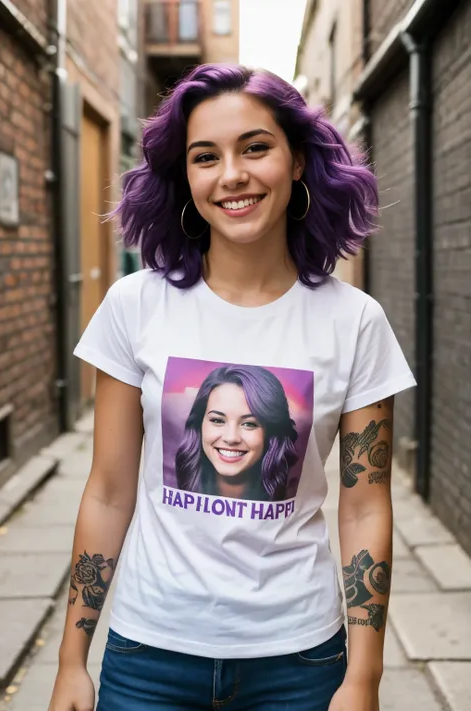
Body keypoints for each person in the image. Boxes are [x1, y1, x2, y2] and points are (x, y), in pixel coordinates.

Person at [48, 63, 416, 711]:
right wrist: (71, 660)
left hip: (300, 659)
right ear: (185, 178)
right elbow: (108, 491)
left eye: (255, 147)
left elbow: (365, 507)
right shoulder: (135, 306)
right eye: (205, 156)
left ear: (297, 161)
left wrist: (364, 676)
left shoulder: (355, 321)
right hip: (148, 656)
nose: (232, 175)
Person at [175, 364, 299, 501]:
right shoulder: (179, 484)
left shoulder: (293, 491)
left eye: (249, 424)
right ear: (199, 424)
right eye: (217, 420)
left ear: (271, 433)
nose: (231, 437)